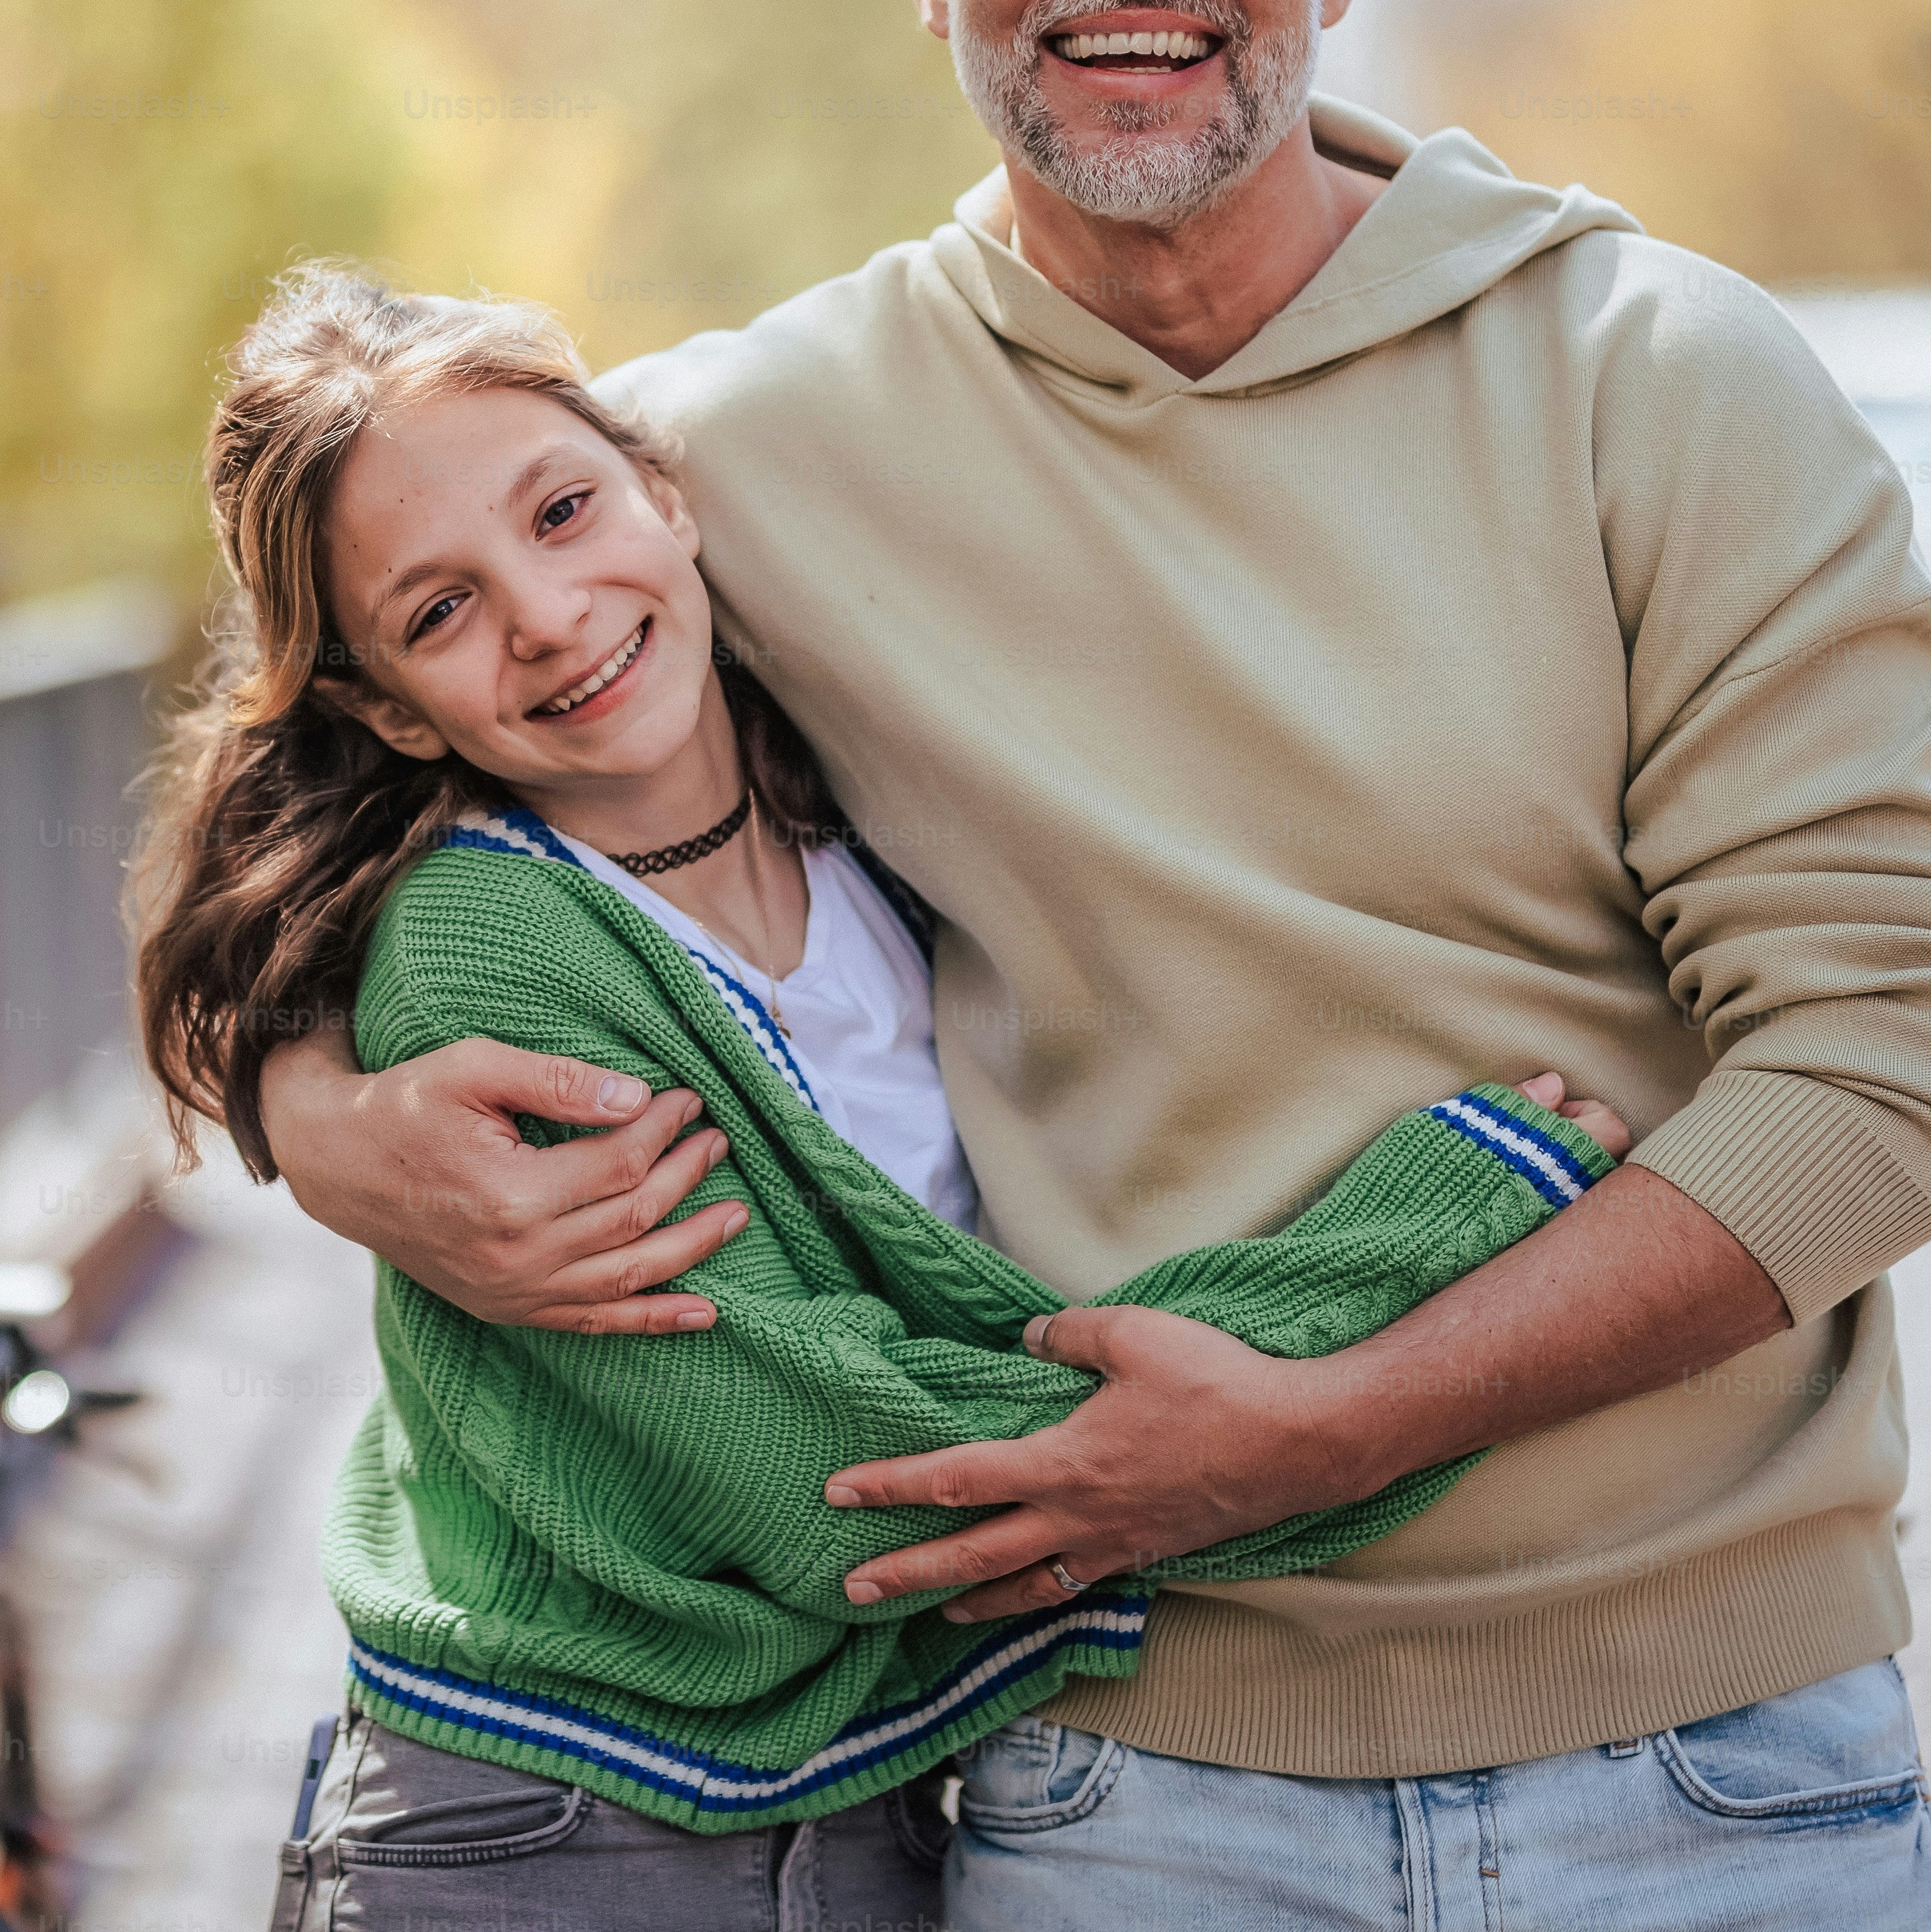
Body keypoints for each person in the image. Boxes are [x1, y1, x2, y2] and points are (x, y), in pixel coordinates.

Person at [243, 0, 1931, 1932]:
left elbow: (1902, 1062)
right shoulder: (732, 461)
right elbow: (310, 735)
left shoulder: (1660, 383)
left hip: (1711, 1765)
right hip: (1119, 1783)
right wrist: (330, 1124)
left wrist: (1336, 1423)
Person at [131, 268, 1636, 1931]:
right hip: (556, 1827)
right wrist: (1426, 1242)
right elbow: (834, 1473)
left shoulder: (869, 829)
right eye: (440, 612)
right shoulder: (491, 956)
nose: (546, 614)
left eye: (562, 512)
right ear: (384, 709)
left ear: (665, 492)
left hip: (870, 1802)